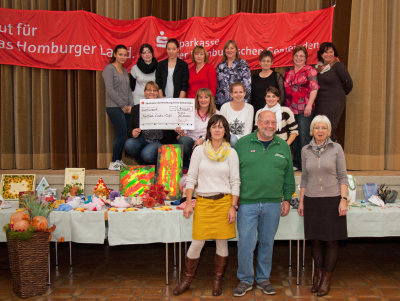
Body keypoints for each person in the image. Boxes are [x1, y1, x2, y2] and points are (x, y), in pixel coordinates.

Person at [173, 114, 240, 297]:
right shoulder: (199, 151)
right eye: (214, 126)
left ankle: (217, 281)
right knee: (197, 243)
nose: (217, 129)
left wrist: (233, 206)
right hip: (202, 202)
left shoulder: (232, 153)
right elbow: (191, 179)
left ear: (225, 130)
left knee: (222, 242)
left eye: (221, 127)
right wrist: (188, 203)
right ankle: (186, 280)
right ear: (209, 130)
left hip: (224, 202)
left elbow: (235, 181)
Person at [233, 110, 295, 297]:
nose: (270, 126)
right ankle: (245, 279)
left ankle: (263, 278)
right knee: (245, 243)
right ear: (257, 123)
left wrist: (287, 198)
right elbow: (233, 174)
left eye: (273, 122)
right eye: (266, 122)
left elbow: (289, 175)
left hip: (273, 204)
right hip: (247, 203)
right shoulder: (242, 144)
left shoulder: (283, 146)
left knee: (267, 242)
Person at [297, 115, 348, 297]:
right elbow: (304, 178)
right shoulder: (305, 150)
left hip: (332, 199)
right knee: (316, 240)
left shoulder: (336, 149)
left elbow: (343, 176)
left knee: (331, 240)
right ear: (312, 130)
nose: (320, 131)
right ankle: (317, 275)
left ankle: (326, 278)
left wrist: (343, 199)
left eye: (323, 128)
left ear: (328, 131)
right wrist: (302, 201)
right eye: (317, 128)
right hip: (312, 199)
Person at [284, 45, 319, 171]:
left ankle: (307, 163)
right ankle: (297, 162)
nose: (299, 58)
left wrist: (309, 104)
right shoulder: (288, 71)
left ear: (306, 58)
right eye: (296, 56)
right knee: (295, 135)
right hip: (290, 109)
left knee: (304, 135)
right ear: (293, 57)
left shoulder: (310, 71)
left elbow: (314, 89)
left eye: (301, 56)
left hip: (305, 108)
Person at [102, 44, 133, 171]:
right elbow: (110, 89)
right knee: (121, 133)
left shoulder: (124, 70)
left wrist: (130, 105)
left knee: (123, 133)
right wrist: (122, 105)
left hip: (125, 108)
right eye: (120, 54)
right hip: (114, 107)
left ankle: (119, 161)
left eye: (125, 55)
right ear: (115, 54)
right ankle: (114, 161)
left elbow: (128, 90)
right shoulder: (109, 69)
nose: (123, 57)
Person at [124, 81, 171, 165]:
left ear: (157, 93)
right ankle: (143, 165)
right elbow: (129, 128)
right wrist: (132, 132)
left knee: (147, 155)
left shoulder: (164, 107)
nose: (152, 92)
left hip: (158, 140)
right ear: (145, 92)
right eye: (149, 90)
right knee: (129, 144)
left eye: (155, 90)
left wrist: (178, 130)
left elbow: (171, 125)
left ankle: (148, 165)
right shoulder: (136, 108)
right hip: (142, 138)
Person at [315, 42, 353, 141]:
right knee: (321, 130)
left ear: (334, 53)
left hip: (334, 104)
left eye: (331, 52)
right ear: (321, 54)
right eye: (326, 52)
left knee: (329, 130)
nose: (328, 54)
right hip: (320, 104)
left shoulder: (338, 66)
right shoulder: (317, 68)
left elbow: (349, 84)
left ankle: (335, 154)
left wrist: (337, 94)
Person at [175, 88, 218, 169]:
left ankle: (198, 166)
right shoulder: (190, 112)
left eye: (206, 97)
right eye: (200, 97)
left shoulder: (216, 114)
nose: (203, 100)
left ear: (210, 99)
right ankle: (186, 166)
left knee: (203, 145)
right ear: (197, 99)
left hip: (207, 142)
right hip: (191, 142)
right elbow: (185, 131)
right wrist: (181, 132)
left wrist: (203, 139)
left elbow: (217, 132)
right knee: (183, 140)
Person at [215, 40, 251, 108]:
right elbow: (217, 85)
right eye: (227, 48)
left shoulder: (242, 64)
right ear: (224, 51)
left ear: (236, 50)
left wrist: (245, 102)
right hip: (222, 104)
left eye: (232, 48)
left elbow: (247, 85)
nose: (229, 50)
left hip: (238, 103)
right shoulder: (220, 66)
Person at [251, 50, 285, 115]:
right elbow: (251, 97)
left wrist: (275, 111)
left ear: (272, 63)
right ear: (260, 62)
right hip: (257, 112)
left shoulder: (277, 76)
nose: (265, 63)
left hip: (273, 112)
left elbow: (282, 97)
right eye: (263, 61)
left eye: (268, 61)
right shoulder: (253, 78)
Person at [220, 82, 254, 146]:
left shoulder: (250, 108)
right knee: (232, 140)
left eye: (240, 92)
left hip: (244, 141)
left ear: (244, 93)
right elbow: (222, 127)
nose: (238, 95)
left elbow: (248, 130)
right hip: (227, 140)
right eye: (235, 92)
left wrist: (240, 142)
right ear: (231, 94)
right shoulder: (224, 107)